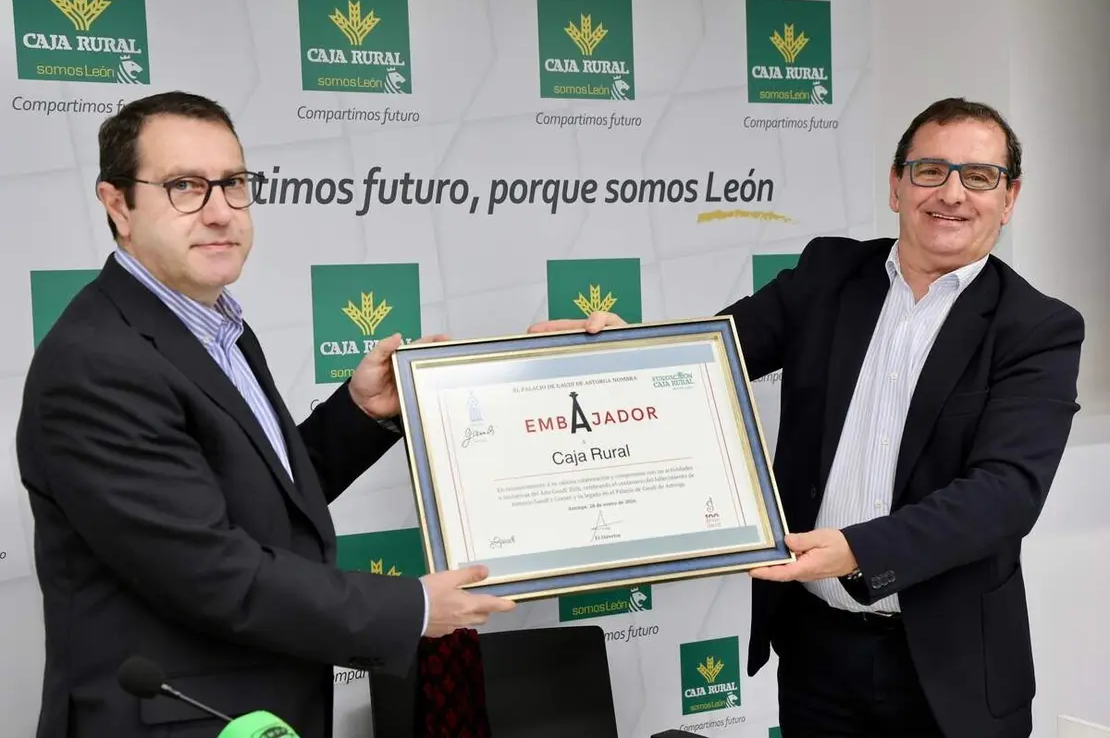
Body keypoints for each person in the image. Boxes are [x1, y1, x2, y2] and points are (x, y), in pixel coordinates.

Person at [528, 97, 1084, 737]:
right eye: (930, 170)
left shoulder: (1037, 327)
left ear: (1008, 198)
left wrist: (855, 551)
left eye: (979, 177)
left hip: (952, 667)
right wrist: (621, 352)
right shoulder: (828, 275)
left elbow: (1005, 495)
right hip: (818, 651)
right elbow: (709, 358)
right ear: (896, 185)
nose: (952, 192)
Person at [15, 91, 515, 738]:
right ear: (119, 205)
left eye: (234, 184)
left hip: (258, 711)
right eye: (185, 187)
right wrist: (412, 607)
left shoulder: (214, 328)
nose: (220, 211)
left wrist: (361, 412)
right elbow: (210, 571)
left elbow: (254, 497)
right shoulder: (96, 362)